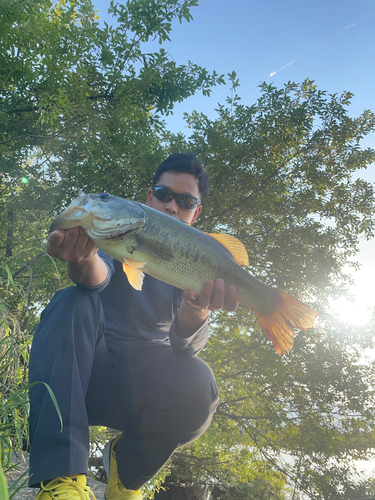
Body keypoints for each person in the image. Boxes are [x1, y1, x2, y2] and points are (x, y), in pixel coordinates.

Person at [29, 152, 239, 500]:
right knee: (72, 300)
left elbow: (184, 347)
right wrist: (83, 260)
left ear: (195, 212)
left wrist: (198, 308)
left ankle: (126, 478)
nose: (172, 206)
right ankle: (62, 479)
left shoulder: (193, 261)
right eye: (164, 193)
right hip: (82, 379)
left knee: (200, 382)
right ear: (149, 197)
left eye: (185, 201)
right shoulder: (118, 235)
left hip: (142, 391)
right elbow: (96, 277)